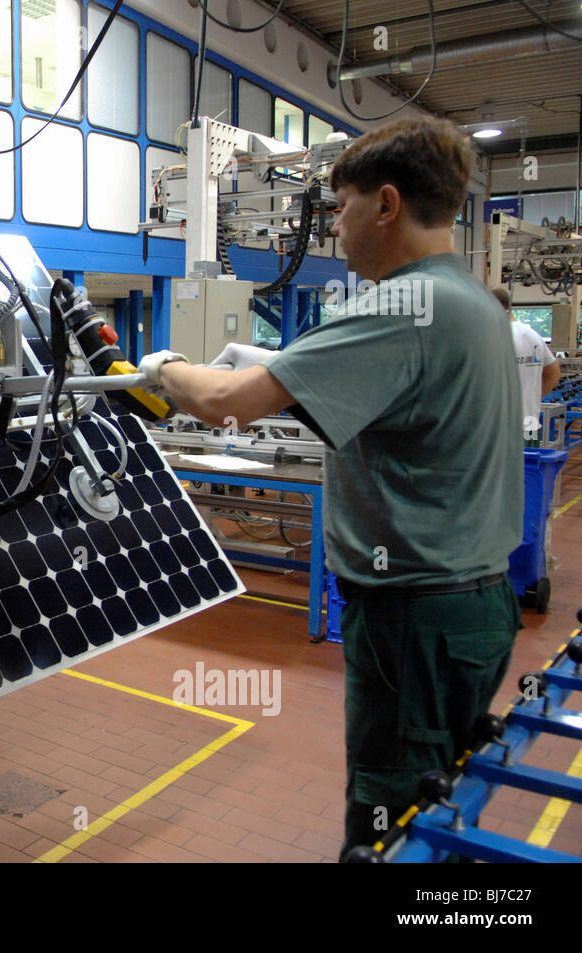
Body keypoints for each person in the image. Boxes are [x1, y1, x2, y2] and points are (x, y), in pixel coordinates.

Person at [139, 116, 523, 860]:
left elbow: (224, 404)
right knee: (434, 800)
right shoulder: (468, 301)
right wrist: (271, 363)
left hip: (415, 621)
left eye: (341, 209)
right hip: (472, 605)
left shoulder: (399, 306)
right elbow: (364, 393)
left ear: (385, 205)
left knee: (389, 823)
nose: (335, 229)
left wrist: (161, 370)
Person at [491, 286, 560, 445]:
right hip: (530, 422)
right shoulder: (533, 335)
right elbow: (554, 373)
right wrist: (531, 399)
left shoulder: (497, 336)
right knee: (528, 468)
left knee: (502, 469)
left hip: (502, 426)